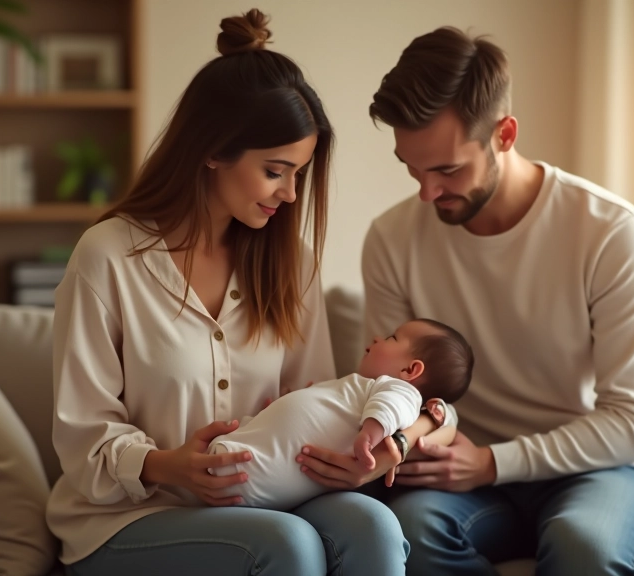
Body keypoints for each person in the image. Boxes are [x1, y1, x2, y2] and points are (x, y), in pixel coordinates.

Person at [47, 9, 445, 576]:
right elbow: (81, 437)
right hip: (129, 519)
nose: (289, 193)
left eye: (299, 174)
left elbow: (317, 400)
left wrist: (379, 445)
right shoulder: (107, 257)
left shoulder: (291, 264)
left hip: (267, 500)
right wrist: (165, 465)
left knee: (373, 525)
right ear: (213, 150)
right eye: (275, 171)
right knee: (284, 545)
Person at [346, 27, 634, 575]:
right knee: (406, 535)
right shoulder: (392, 238)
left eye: (448, 170)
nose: (427, 193)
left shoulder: (610, 232)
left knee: (584, 549)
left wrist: (492, 462)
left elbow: (633, 421)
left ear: (504, 134)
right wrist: (416, 438)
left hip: (607, 470)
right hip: (462, 469)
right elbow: (392, 388)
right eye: (413, 169)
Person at [209, 318, 474, 510]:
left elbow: (394, 406)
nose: (377, 338)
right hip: (252, 459)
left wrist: (371, 434)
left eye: (392, 338)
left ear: (410, 370)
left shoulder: (397, 390)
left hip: (257, 475)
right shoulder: (360, 388)